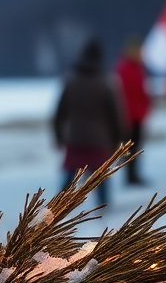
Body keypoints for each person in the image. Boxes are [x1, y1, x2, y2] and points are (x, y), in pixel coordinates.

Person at [53, 39, 125, 206]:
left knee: (69, 180)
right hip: (99, 141)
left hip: (75, 138)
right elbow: (116, 117)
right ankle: (103, 210)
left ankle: (54, 212)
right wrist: (117, 142)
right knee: (100, 179)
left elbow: (59, 114)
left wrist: (59, 137)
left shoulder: (70, 82)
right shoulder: (106, 83)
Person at [114, 39, 151, 184]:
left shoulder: (138, 69)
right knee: (129, 148)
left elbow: (141, 91)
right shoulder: (123, 69)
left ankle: (134, 174)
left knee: (136, 147)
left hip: (138, 114)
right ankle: (130, 176)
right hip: (127, 115)